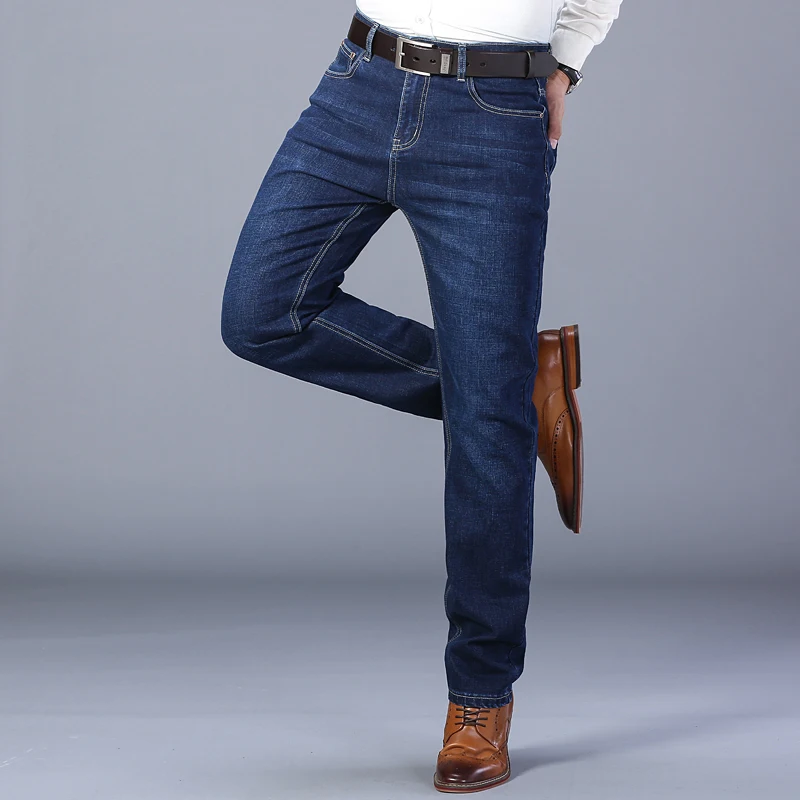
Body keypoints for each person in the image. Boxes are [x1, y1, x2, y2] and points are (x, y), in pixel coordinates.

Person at [221, 0, 622, 792]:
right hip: (362, 80)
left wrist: (568, 59)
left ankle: (479, 700)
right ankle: (513, 388)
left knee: (486, 434)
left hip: (492, 107)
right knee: (263, 313)